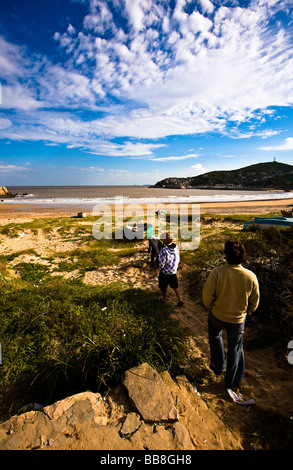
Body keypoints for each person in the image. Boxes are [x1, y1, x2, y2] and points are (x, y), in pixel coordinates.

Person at [203, 240, 259, 392]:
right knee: (235, 348)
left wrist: (210, 306)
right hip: (238, 319)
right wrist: (248, 312)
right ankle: (232, 383)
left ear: (226, 255)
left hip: (217, 315)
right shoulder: (251, 276)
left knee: (215, 336)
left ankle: (218, 366)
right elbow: (254, 302)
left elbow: (207, 296)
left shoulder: (217, 273)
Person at [158, 233, 184, 306]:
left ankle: (164, 298)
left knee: (163, 287)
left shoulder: (164, 250)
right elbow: (178, 258)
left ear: (164, 240)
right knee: (175, 286)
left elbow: (162, 262)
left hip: (165, 272)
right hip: (173, 271)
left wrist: (159, 269)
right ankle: (180, 299)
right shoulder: (176, 247)